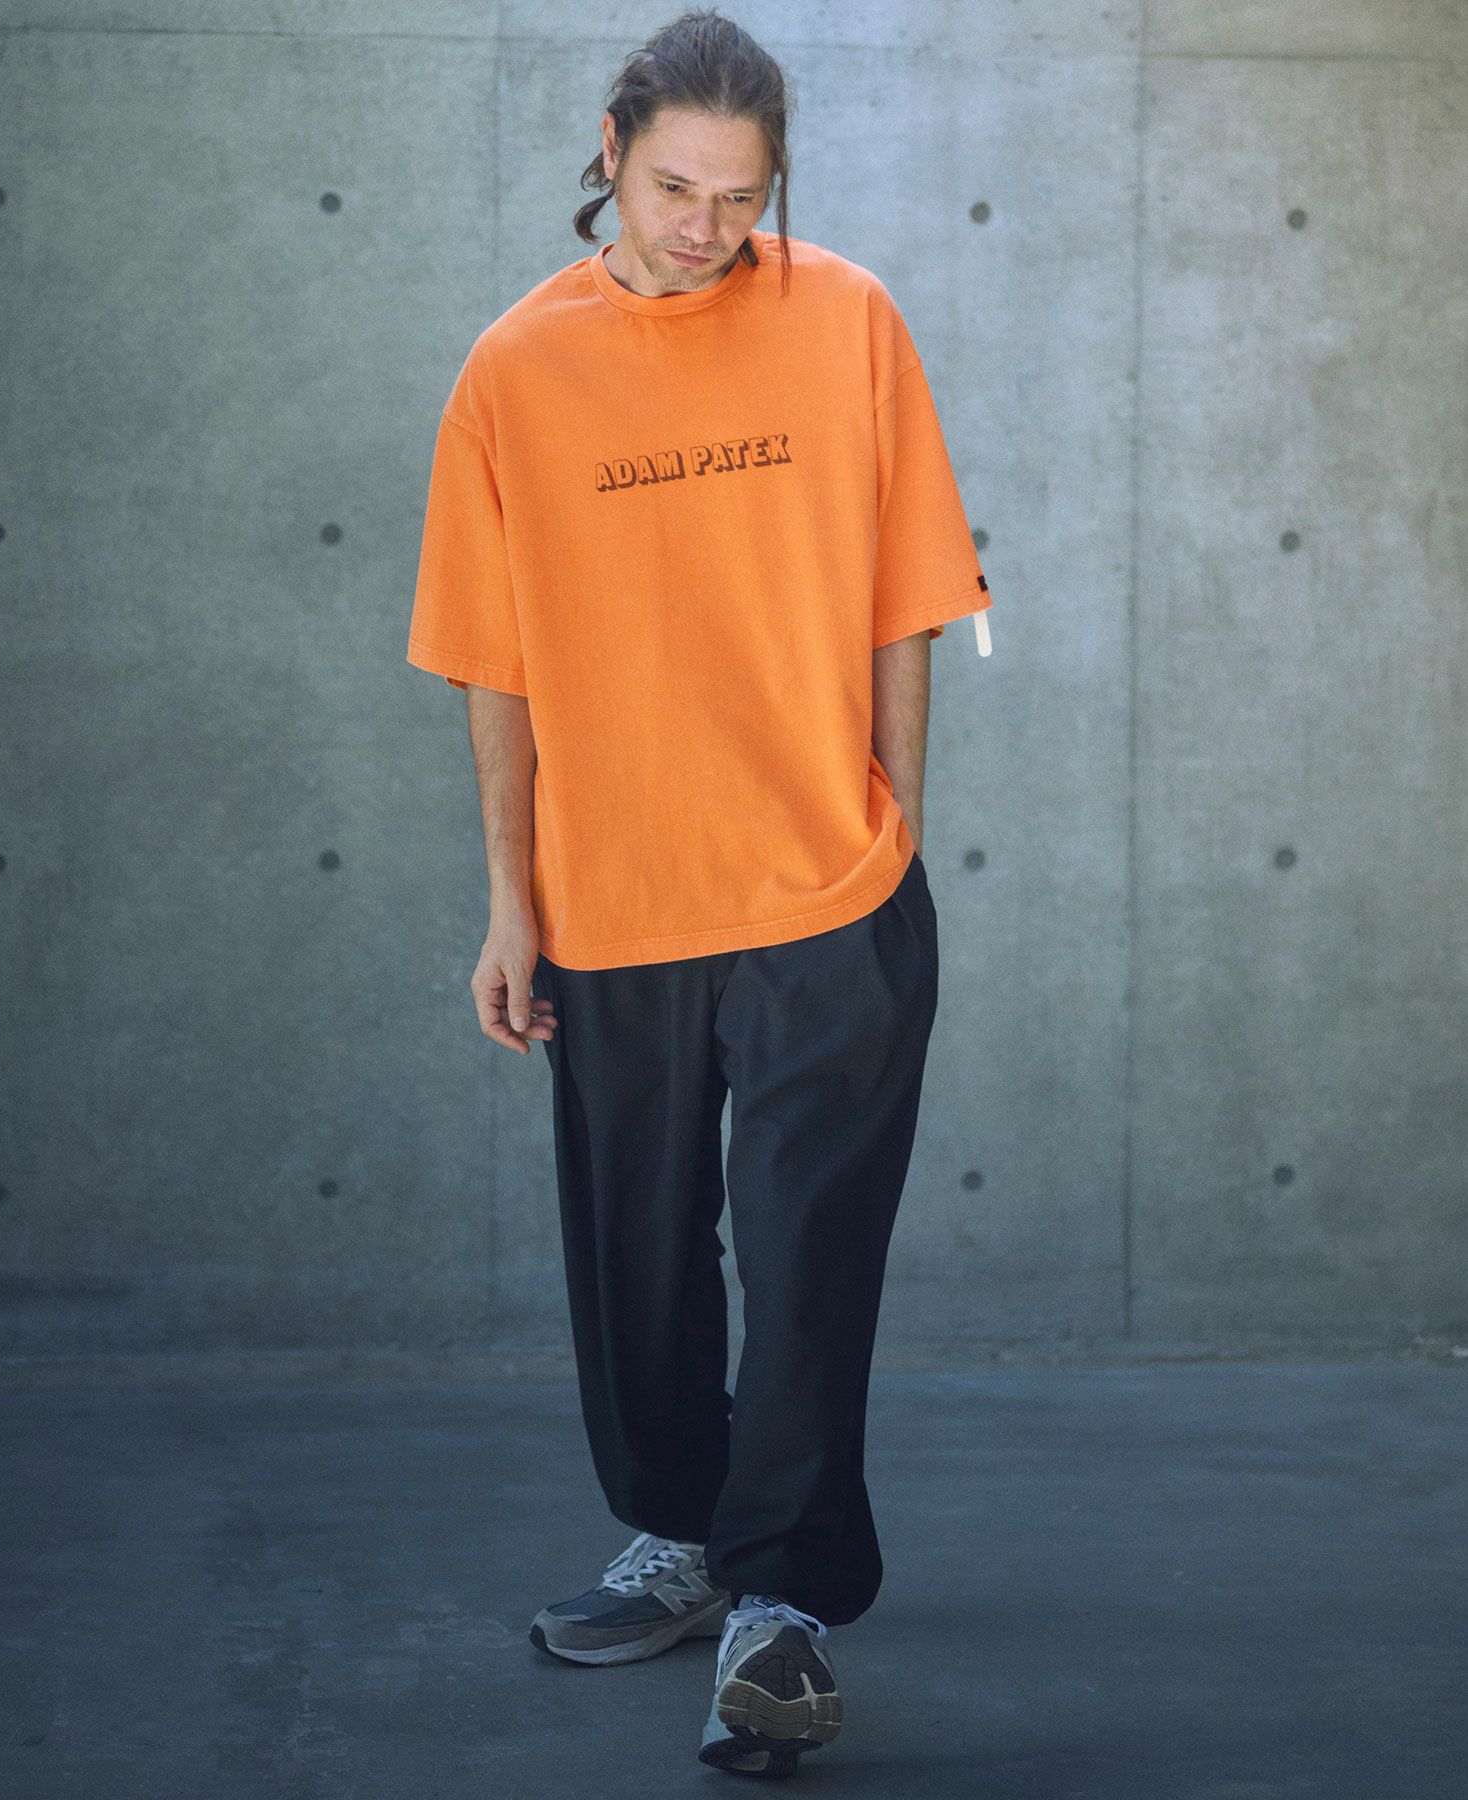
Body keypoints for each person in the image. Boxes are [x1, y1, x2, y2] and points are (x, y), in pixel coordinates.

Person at [406, 8, 992, 1779]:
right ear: (612, 152)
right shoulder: (517, 370)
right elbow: (493, 665)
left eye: (743, 198)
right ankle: (679, 1537)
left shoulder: (849, 321)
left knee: (808, 1256)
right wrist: (511, 902)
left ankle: (781, 1605)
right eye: (674, 188)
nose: (705, 228)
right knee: (638, 1257)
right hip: (616, 897)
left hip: (826, 890)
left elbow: (909, 596)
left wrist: (891, 827)